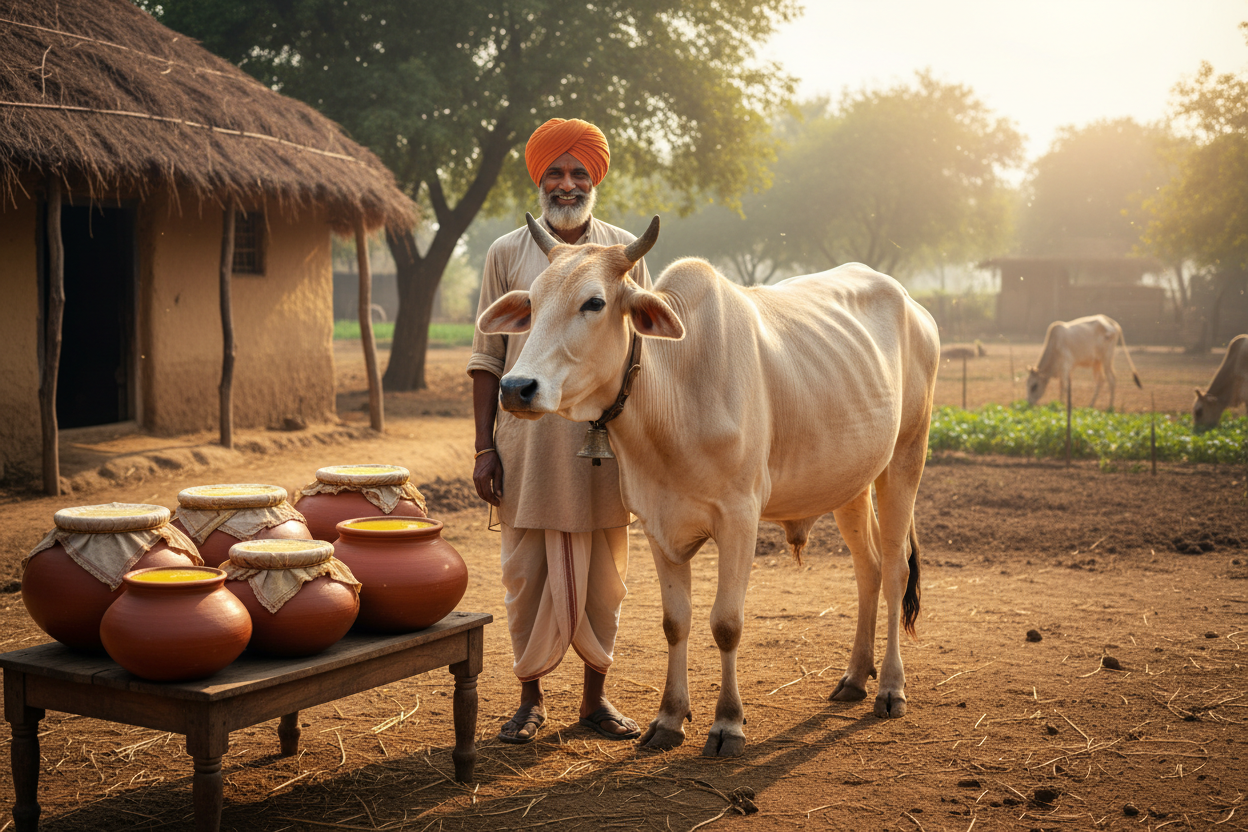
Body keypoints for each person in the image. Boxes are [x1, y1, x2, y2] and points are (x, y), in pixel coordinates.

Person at [468, 118, 650, 744]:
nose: (566, 184)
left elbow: (645, 361)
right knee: (524, 575)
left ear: (594, 178)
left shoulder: (624, 253)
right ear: (538, 179)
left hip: (603, 446)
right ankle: (530, 699)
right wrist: (484, 447)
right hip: (526, 442)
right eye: (555, 172)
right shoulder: (505, 254)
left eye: (578, 173)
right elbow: (487, 358)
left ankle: (594, 703)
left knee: (607, 576)